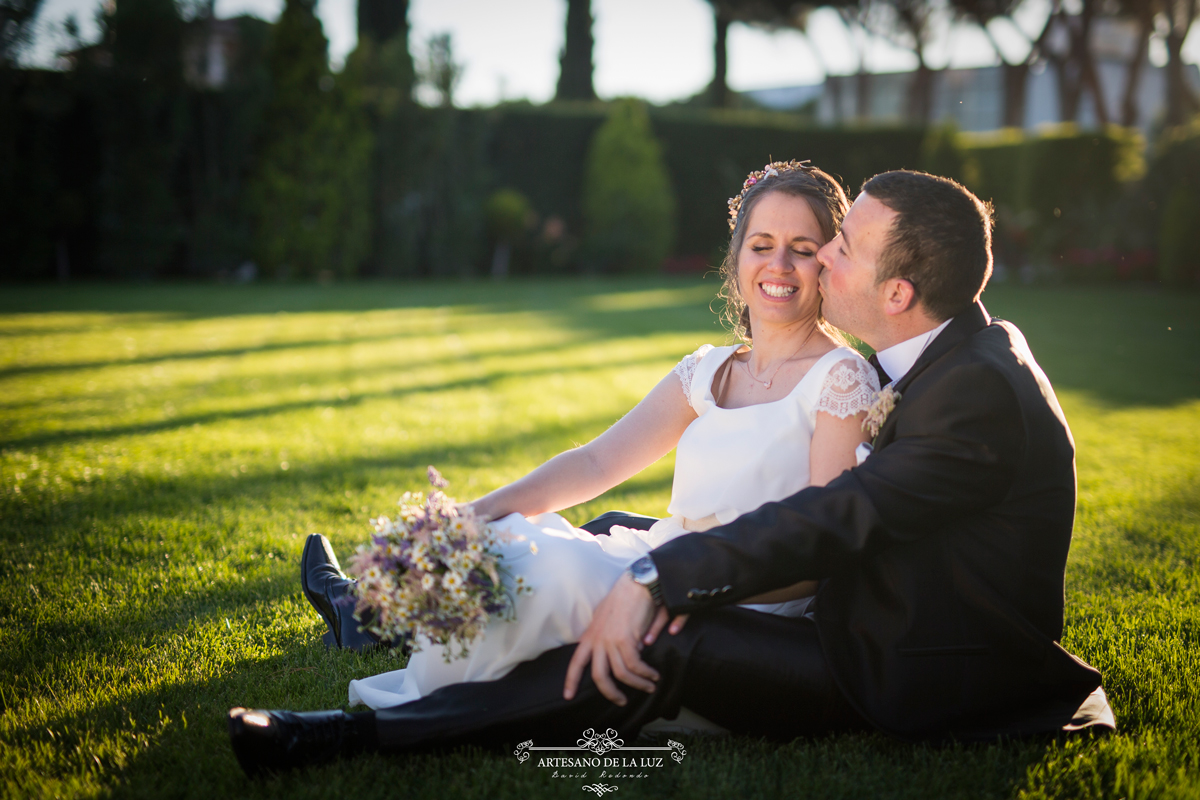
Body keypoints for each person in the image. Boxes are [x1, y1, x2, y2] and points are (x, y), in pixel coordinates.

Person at [228, 169, 1114, 777]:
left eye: (838, 246)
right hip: (862, 607)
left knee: (659, 638)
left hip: (904, 663)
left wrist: (662, 579)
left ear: (895, 294)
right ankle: (377, 619)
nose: (817, 259)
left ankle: (358, 736)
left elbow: (832, 518)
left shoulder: (971, 392)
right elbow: (614, 462)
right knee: (608, 532)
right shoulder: (952, 348)